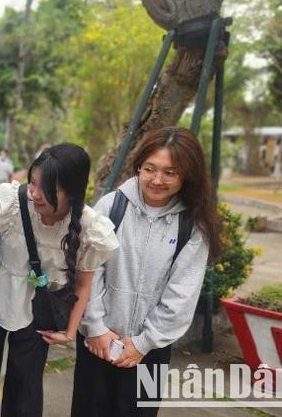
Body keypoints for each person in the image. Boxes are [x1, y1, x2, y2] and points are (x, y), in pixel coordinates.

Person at [0, 143, 119, 417]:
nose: (35, 194)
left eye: (48, 189)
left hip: (38, 310)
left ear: (74, 191)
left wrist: (69, 332)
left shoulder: (91, 228)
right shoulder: (11, 201)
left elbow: (83, 285)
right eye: (33, 183)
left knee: (25, 388)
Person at [73, 127, 222, 416]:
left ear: (187, 176)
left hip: (149, 350)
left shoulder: (192, 226)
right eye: (150, 169)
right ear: (138, 166)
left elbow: (182, 295)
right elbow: (88, 271)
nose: (157, 180)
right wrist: (96, 329)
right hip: (97, 342)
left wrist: (143, 343)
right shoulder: (111, 206)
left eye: (170, 173)